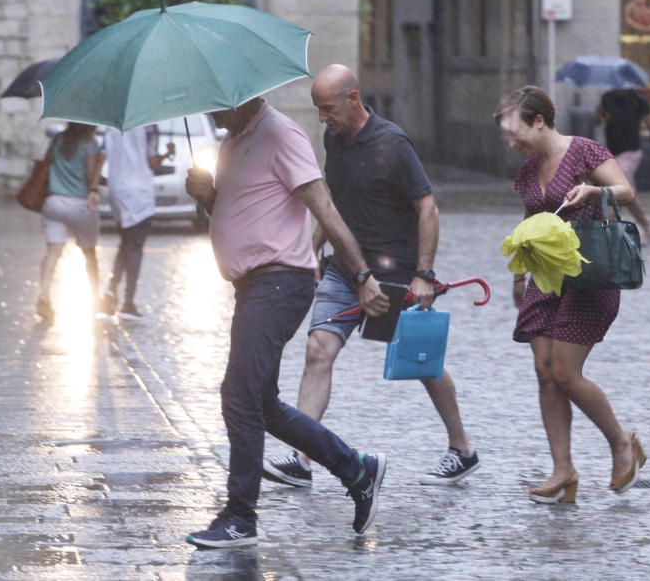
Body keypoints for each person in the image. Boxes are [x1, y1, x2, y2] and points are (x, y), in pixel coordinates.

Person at [184, 95, 391, 549]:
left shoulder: (281, 134)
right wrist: (207, 197)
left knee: (238, 396)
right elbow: (234, 214)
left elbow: (324, 207)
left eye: (215, 107)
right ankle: (357, 470)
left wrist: (360, 276)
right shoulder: (231, 141)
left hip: (279, 284)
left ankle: (241, 516)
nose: (209, 116)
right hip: (253, 287)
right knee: (261, 403)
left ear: (241, 97)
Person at [263, 64, 480, 488]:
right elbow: (333, 202)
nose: (323, 119)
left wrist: (424, 275)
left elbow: (427, 208)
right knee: (317, 351)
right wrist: (309, 250)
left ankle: (462, 449)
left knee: (423, 362)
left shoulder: (392, 144)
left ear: (353, 98)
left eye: (328, 109)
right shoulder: (333, 139)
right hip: (346, 269)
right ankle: (302, 459)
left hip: (395, 275)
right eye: (317, 111)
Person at [496, 86, 646, 504]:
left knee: (565, 373)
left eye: (515, 132)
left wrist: (595, 191)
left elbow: (627, 192)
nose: (512, 143)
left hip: (588, 275)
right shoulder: (528, 170)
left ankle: (621, 443)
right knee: (545, 372)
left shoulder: (584, 152)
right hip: (545, 279)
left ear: (539, 121)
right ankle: (562, 469)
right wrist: (518, 275)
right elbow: (531, 215)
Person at [99, 125, 175, 320]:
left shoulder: (111, 124)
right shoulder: (149, 126)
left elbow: (102, 154)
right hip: (139, 193)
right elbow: (151, 162)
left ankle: (110, 292)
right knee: (135, 247)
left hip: (116, 190)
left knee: (125, 243)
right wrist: (168, 153)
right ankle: (128, 301)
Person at [37, 122, 102, 321]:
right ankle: (95, 297)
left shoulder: (58, 140)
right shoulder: (90, 143)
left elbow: (46, 165)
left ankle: (44, 295)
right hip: (80, 203)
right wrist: (100, 165)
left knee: (53, 251)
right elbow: (91, 176)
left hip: (53, 202)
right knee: (89, 252)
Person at [596, 88, 650, 243]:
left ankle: (605, 235)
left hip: (631, 152)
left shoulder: (639, 101)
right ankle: (647, 229)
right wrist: (601, 114)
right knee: (628, 194)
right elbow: (599, 120)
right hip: (612, 154)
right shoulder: (607, 98)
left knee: (615, 189)